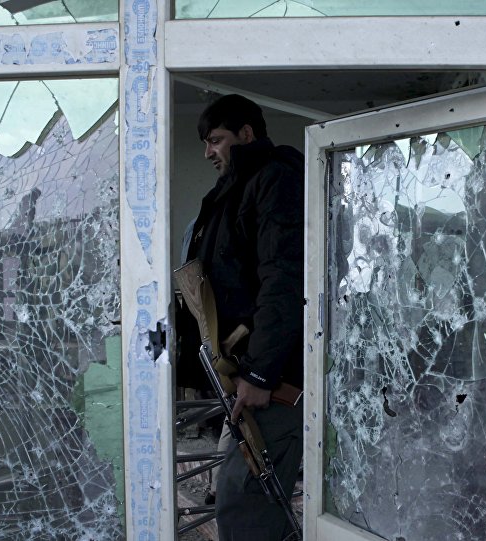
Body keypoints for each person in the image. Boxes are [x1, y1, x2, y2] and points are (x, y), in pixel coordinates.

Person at [181, 94, 304, 540]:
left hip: (269, 383)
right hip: (245, 375)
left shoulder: (273, 181)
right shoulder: (235, 189)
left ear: (247, 134)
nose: (209, 151)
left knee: (245, 507)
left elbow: (284, 282)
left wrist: (260, 372)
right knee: (246, 504)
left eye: (215, 140)